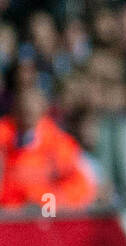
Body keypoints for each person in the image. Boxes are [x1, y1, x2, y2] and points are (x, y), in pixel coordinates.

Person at [0, 71, 97, 211]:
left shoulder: (58, 142)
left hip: (45, 214)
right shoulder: (3, 136)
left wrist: (49, 200)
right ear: (14, 109)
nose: (27, 112)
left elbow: (82, 184)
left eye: (32, 108)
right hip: (8, 217)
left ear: (43, 110)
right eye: (23, 107)